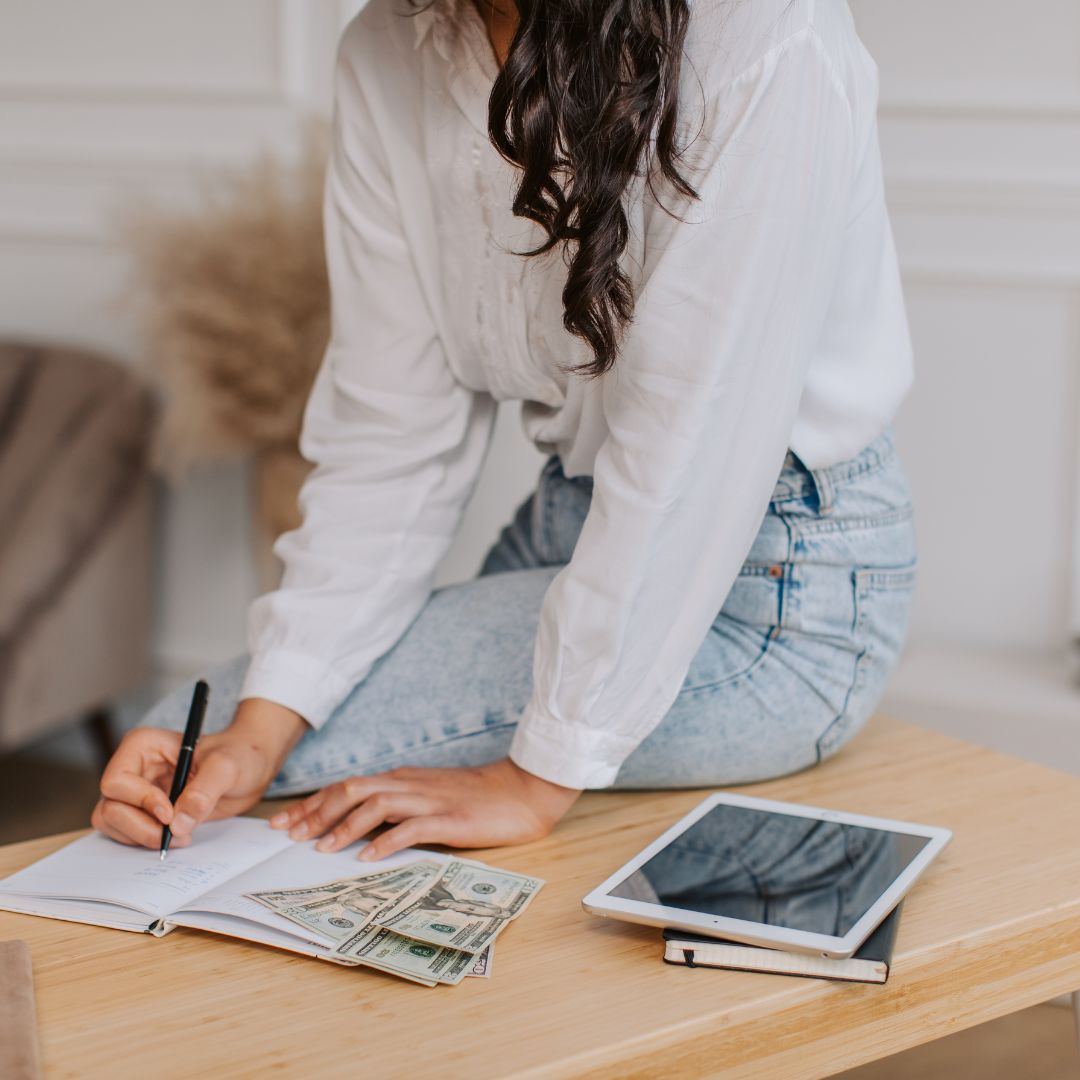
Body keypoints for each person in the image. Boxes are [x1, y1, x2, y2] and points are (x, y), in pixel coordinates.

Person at [92, 0, 918, 863]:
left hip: (778, 598)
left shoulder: (763, 32)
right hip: (575, 528)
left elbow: (692, 449)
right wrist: (263, 725)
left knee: (186, 752)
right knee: (200, 757)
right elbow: (392, 435)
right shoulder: (387, 50)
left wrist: (536, 781)